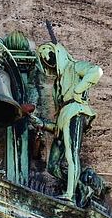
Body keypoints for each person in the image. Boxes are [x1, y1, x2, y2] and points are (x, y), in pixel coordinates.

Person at [37, 41, 101, 204]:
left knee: (71, 154)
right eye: (44, 58)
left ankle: (70, 195)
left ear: (57, 53)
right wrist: (42, 124)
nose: (47, 59)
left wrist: (78, 89)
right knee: (53, 166)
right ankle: (80, 186)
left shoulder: (74, 67)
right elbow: (58, 125)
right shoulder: (57, 85)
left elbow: (96, 71)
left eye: (49, 54)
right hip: (66, 115)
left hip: (76, 111)